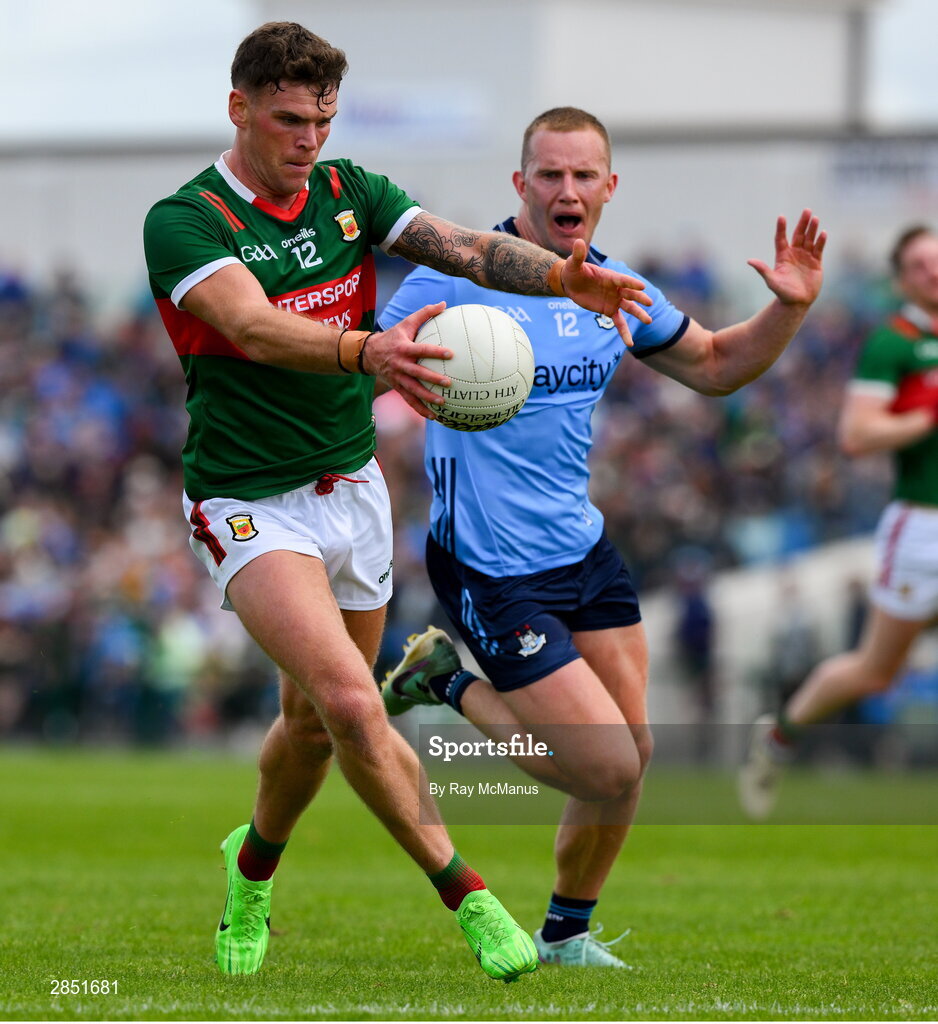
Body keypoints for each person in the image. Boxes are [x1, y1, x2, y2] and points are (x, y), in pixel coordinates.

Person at [143, 24, 656, 980]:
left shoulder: (351, 194)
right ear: (239, 108)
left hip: (353, 491)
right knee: (347, 699)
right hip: (250, 500)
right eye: (290, 119)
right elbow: (251, 326)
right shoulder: (187, 219)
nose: (309, 140)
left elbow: (461, 247)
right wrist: (364, 349)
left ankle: (249, 868)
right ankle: (472, 900)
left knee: (307, 724)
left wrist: (559, 276)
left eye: (323, 120)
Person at [377, 107, 826, 965]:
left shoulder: (613, 287)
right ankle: (442, 679)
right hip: (490, 564)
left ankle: (565, 937)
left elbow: (719, 365)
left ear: (610, 187)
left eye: (584, 175)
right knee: (605, 767)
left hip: (581, 550)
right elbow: (362, 374)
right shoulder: (454, 280)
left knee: (635, 751)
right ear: (520, 185)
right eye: (549, 173)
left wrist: (789, 309)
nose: (567, 190)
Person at [738, 224, 938, 820]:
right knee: (876, 671)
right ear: (901, 278)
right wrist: (924, 416)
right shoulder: (894, 344)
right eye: (921, 265)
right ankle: (779, 735)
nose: (933, 272)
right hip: (922, 526)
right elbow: (856, 435)